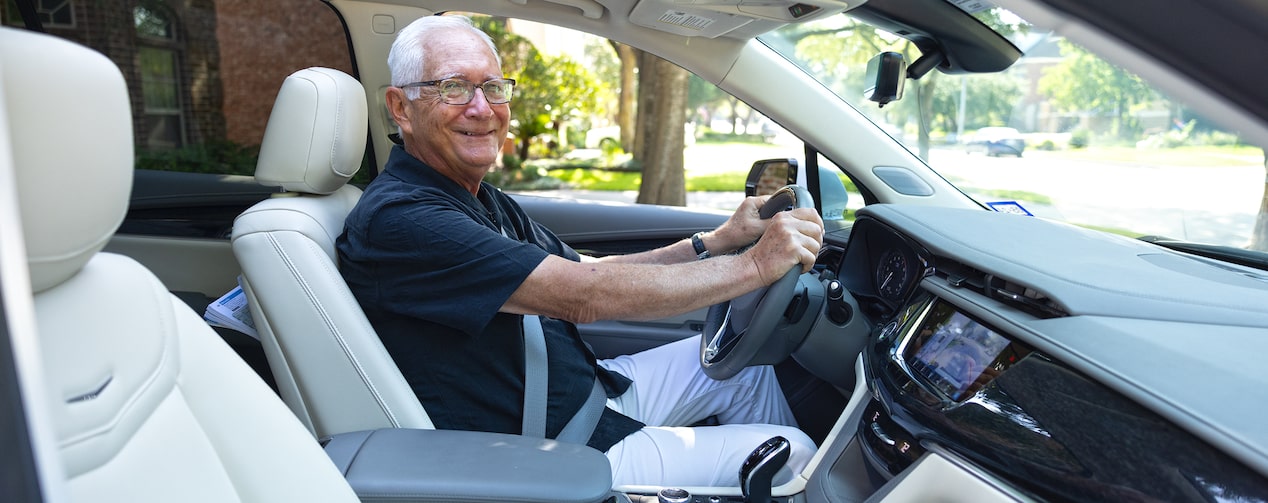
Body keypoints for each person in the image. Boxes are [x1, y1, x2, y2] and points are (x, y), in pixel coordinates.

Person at [336, 14, 825, 488]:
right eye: (454, 88)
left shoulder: (474, 197)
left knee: (748, 373)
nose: (482, 108)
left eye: (492, 87)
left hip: (589, 393)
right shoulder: (403, 220)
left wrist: (716, 242)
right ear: (401, 107)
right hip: (551, 450)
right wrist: (757, 266)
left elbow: (591, 270)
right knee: (794, 451)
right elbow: (584, 296)